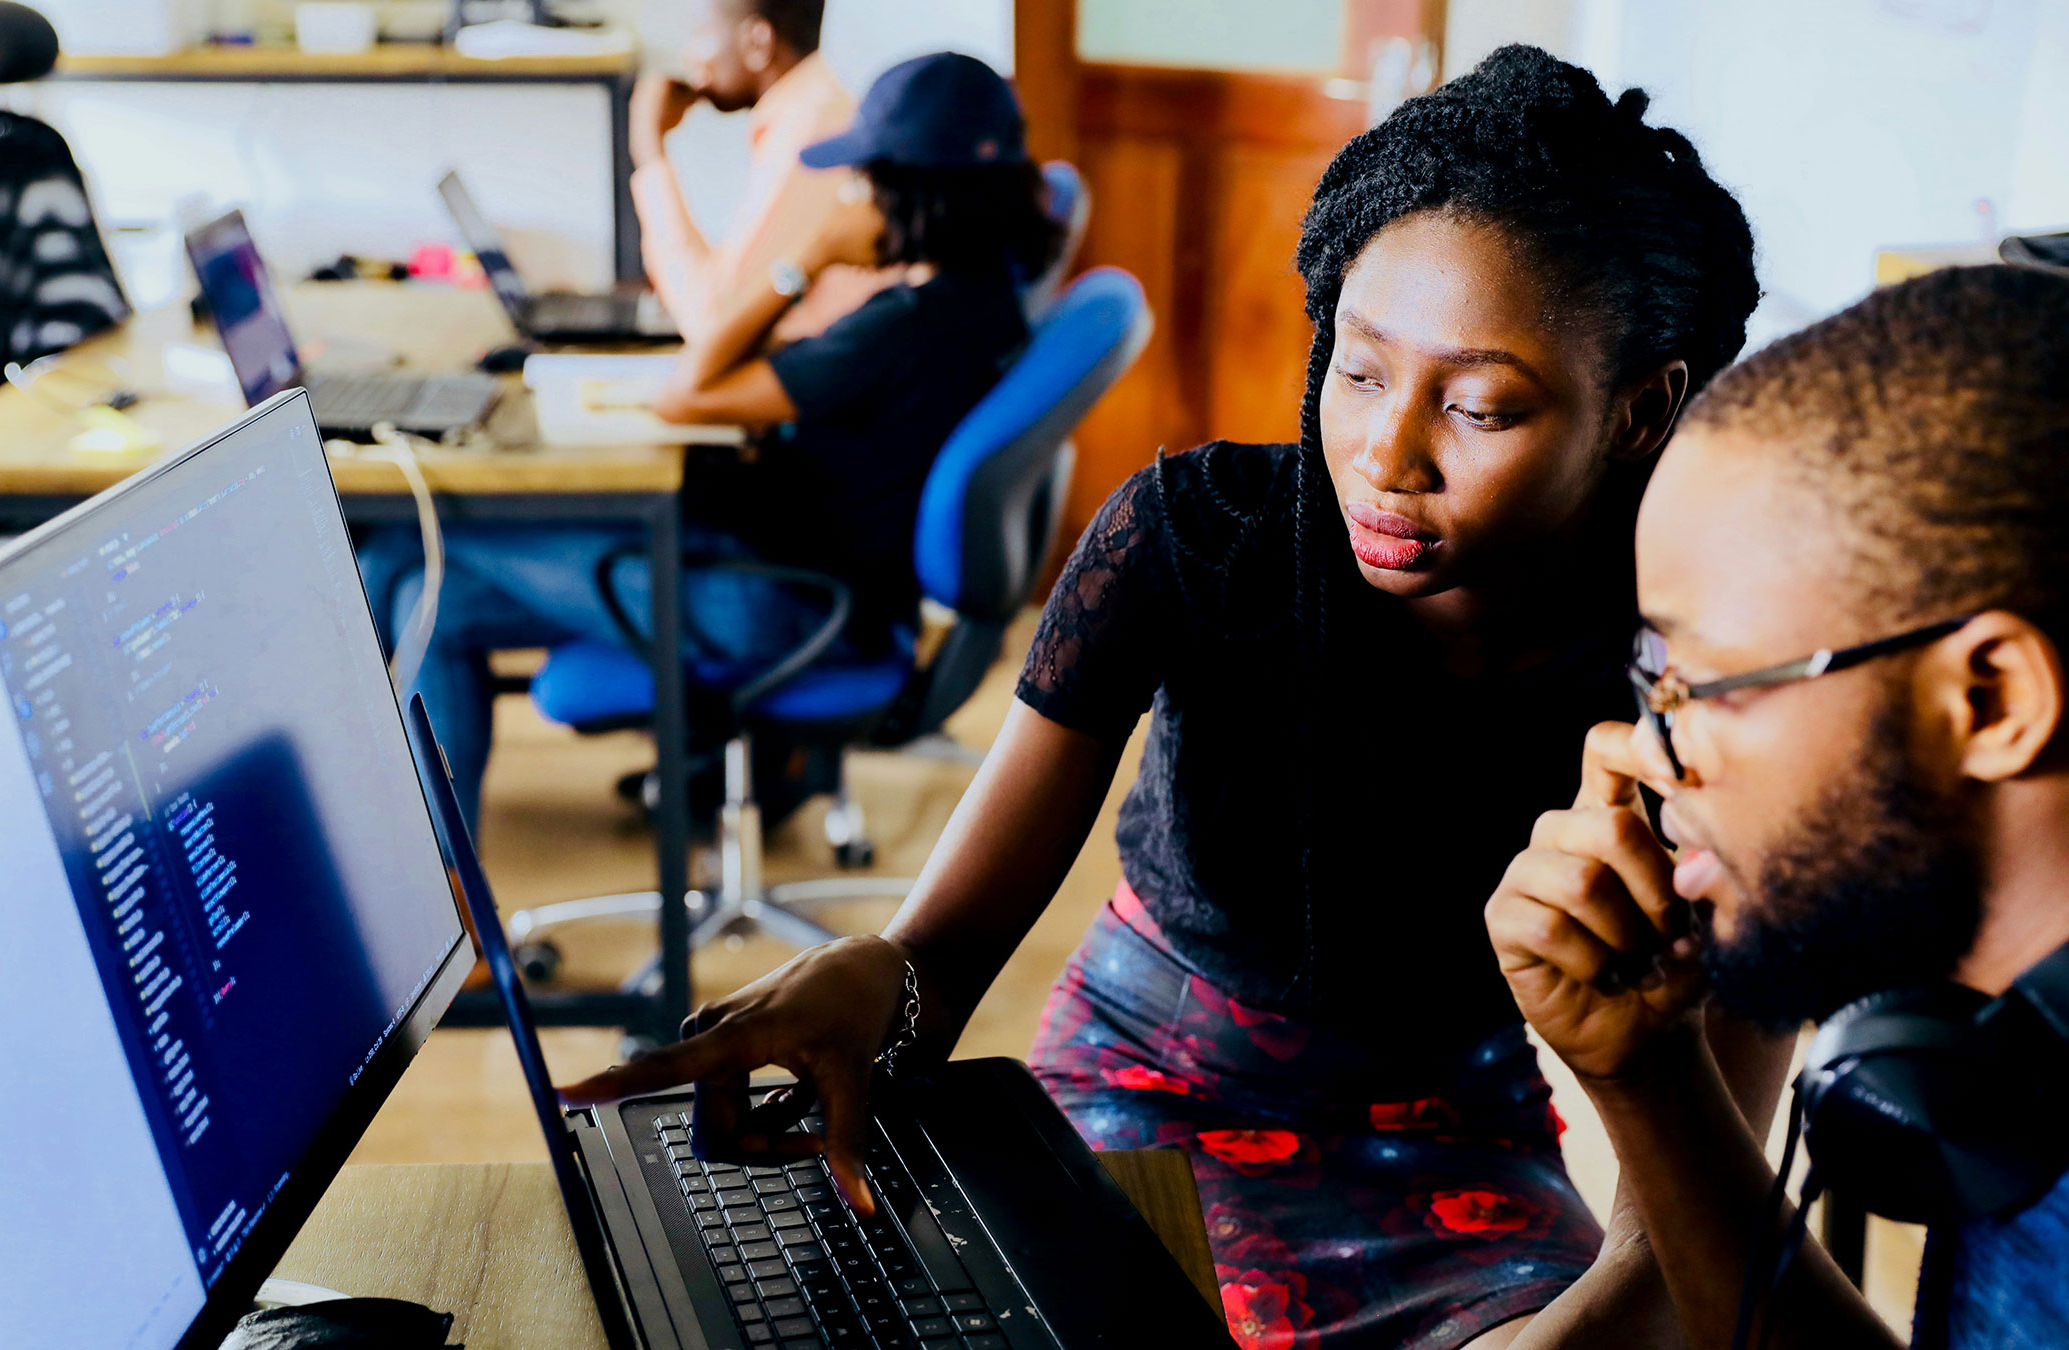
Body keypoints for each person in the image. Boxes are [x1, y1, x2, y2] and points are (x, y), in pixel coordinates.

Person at [563, 47, 1769, 1350]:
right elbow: (940, 961)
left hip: (1456, 1142)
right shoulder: (1196, 544)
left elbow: (1685, 1235)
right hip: (1143, 1087)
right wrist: (876, 982)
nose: (1386, 454)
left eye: (1478, 406)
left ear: (1642, 410)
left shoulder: (1711, 677)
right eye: (1357, 372)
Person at [1485, 265, 2069, 1349]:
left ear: (1990, 699)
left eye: (1701, 686)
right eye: (1648, 676)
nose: (1642, 754)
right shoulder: (2012, 1050)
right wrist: (1650, 1077)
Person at [362, 52, 1062, 823]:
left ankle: (416, 871)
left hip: (779, 606)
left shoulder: (902, 330)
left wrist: (808, 256)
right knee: (434, 596)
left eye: (862, 176)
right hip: (813, 584)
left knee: (405, 556)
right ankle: (453, 891)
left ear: (911, 190)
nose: (847, 193)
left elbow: (688, 390)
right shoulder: (984, 303)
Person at [631, 0, 891, 343]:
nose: (688, 55)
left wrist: (649, 151)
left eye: (699, 34)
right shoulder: (812, 113)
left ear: (758, 43)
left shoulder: (809, 135)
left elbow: (714, 323)